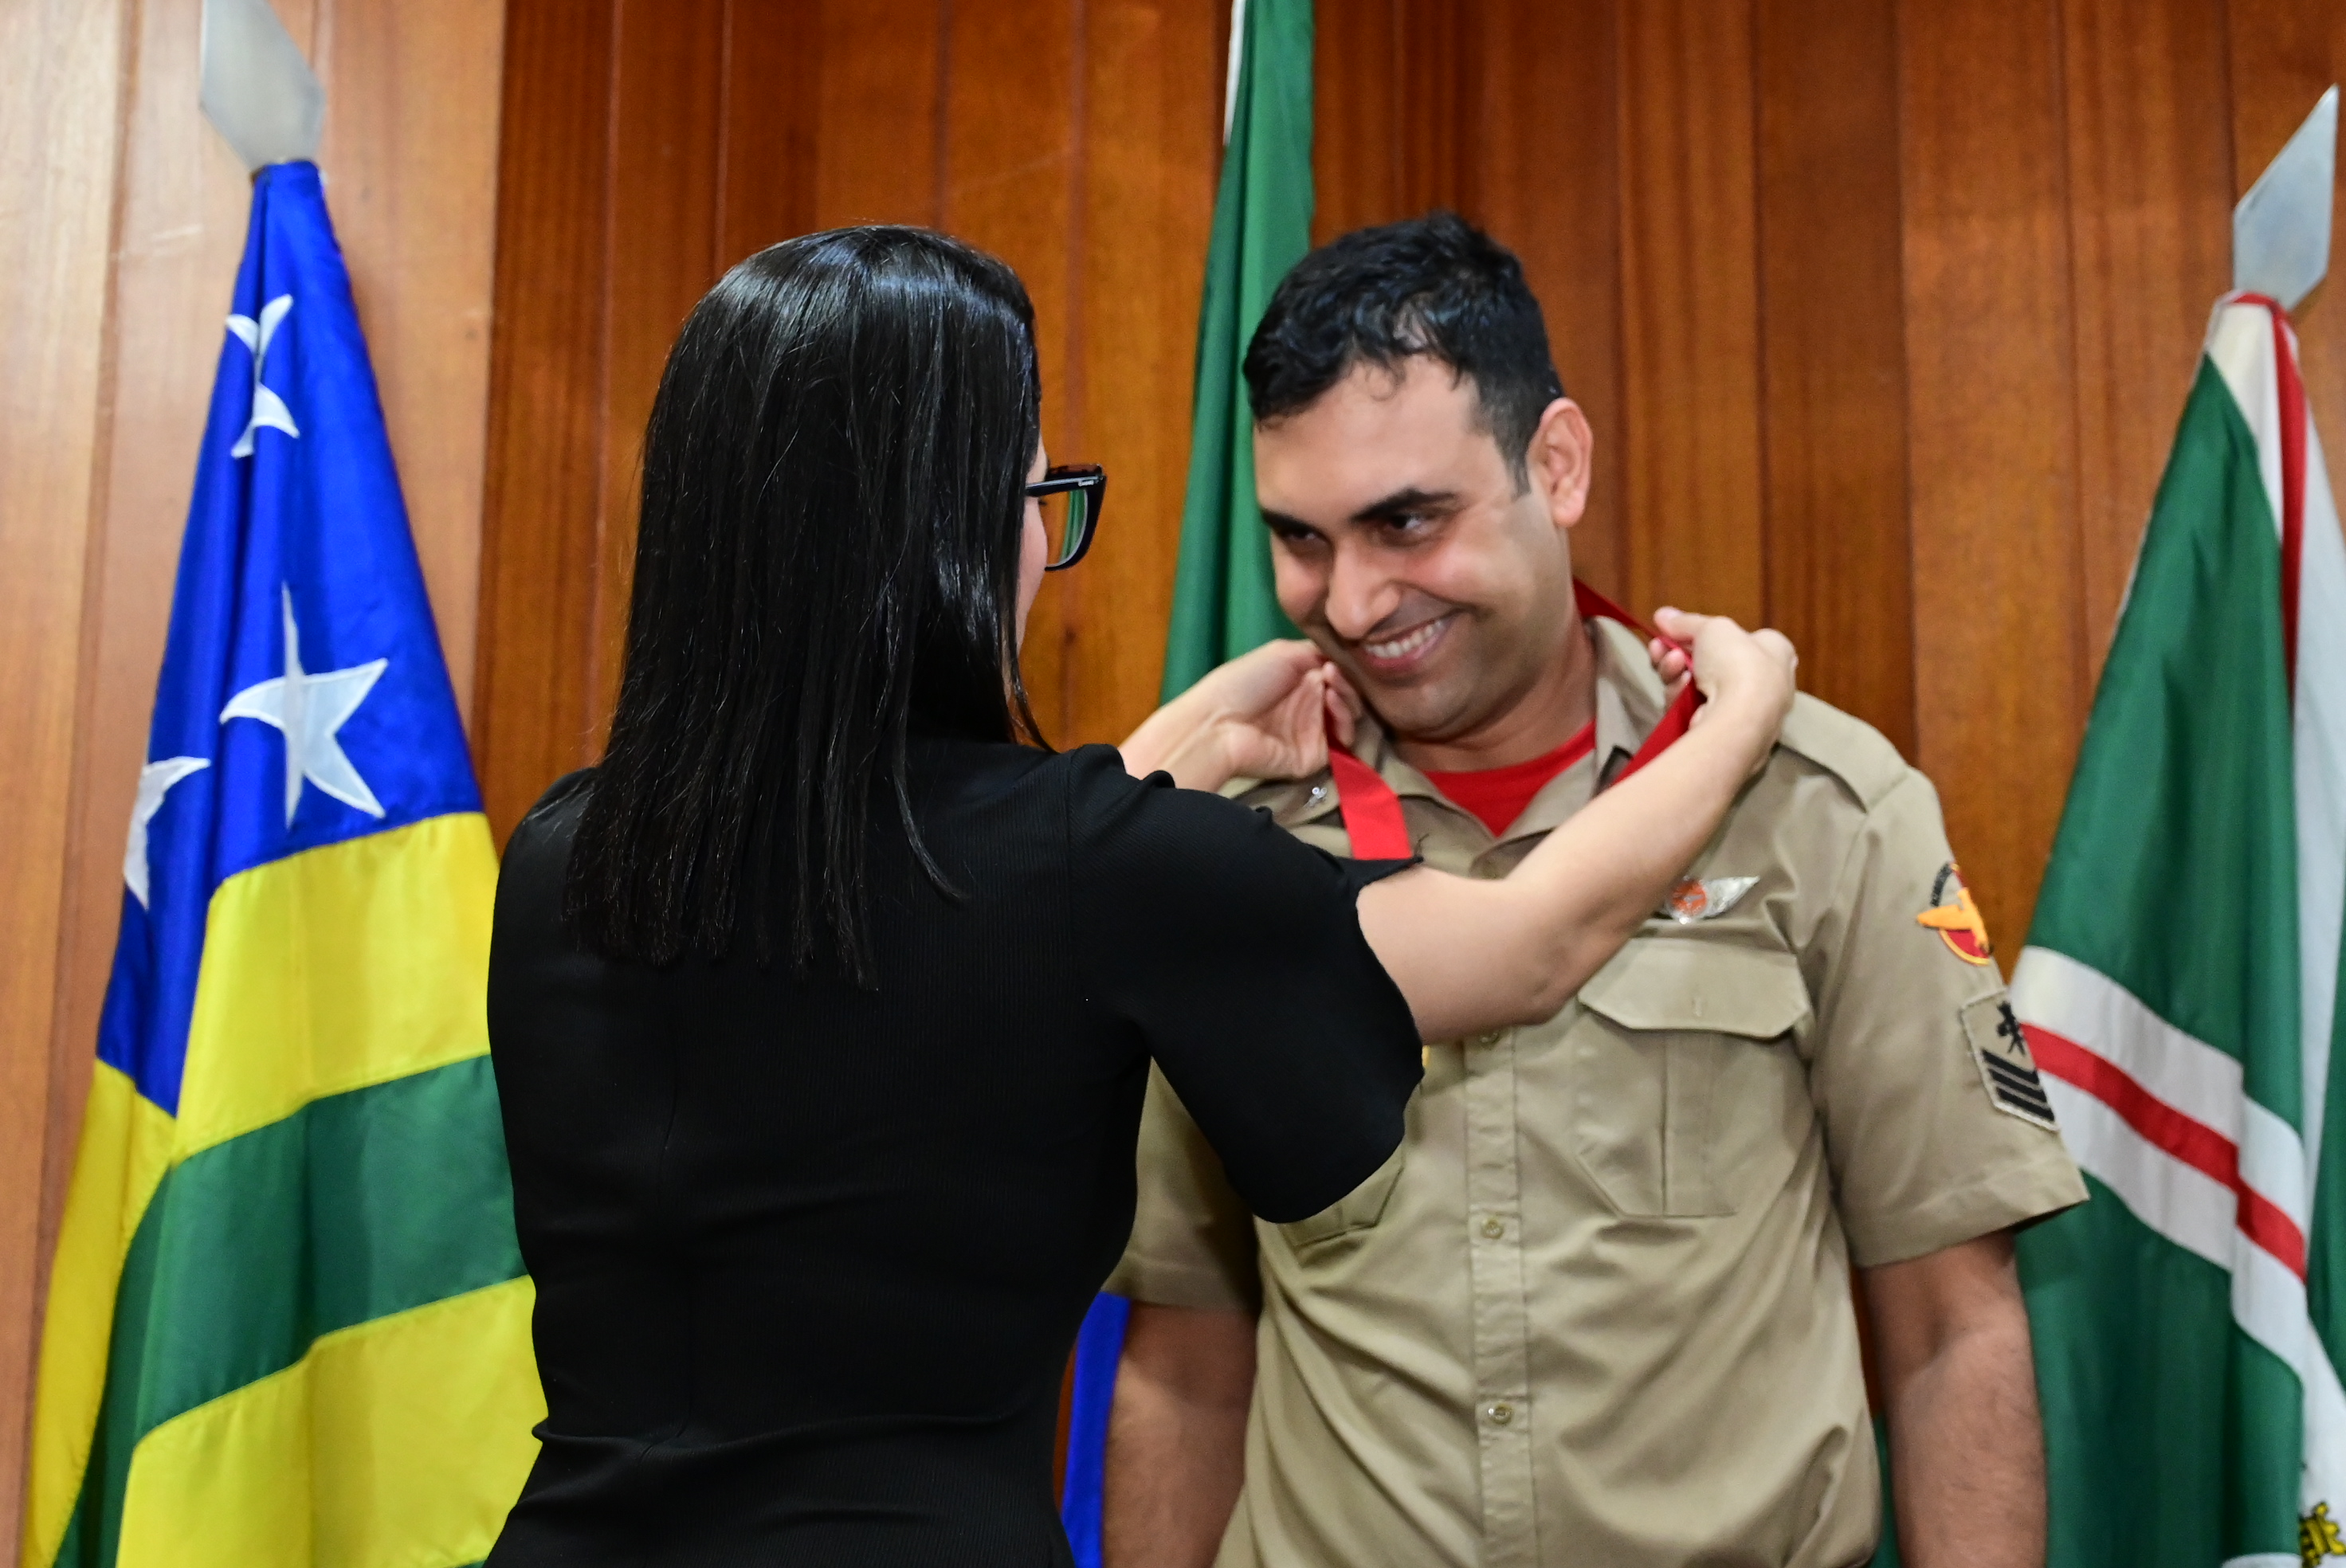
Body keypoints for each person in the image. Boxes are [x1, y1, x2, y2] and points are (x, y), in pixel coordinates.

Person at [481, 225, 1793, 1566]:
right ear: (950, 536)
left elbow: (945, 900)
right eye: (1035, 500)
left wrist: (1185, 748)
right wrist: (1740, 721)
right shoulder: (1093, 872)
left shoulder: (559, 859)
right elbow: (1526, 943)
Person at [1101, 213, 2089, 1568]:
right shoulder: (1224, 847)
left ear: (1555, 465)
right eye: (1302, 539)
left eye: (1406, 521)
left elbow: (1949, 1328)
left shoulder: (1818, 807)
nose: (1355, 600)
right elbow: (1185, 1357)